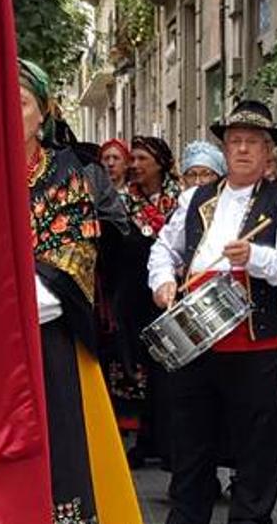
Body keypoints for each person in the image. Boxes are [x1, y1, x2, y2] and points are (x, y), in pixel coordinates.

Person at [148, 99, 277, 524]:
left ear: (267, 153)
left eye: (252, 142)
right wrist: (162, 281)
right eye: (235, 141)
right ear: (224, 149)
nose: (242, 149)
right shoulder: (194, 199)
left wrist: (255, 258)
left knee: (255, 453)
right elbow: (163, 249)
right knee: (190, 449)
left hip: (253, 347)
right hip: (194, 344)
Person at [19, 60, 143, 524]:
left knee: (62, 465)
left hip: (52, 342)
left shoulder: (71, 173)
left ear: (45, 111)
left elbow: (73, 261)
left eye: (22, 103)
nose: (10, 113)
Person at [113, 135, 181, 466]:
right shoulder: (123, 202)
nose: (135, 165)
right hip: (132, 293)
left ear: (161, 163)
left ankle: (170, 443)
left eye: (142, 159)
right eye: (134, 159)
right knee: (138, 367)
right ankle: (144, 438)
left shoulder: (180, 200)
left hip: (168, 294)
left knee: (169, 369)